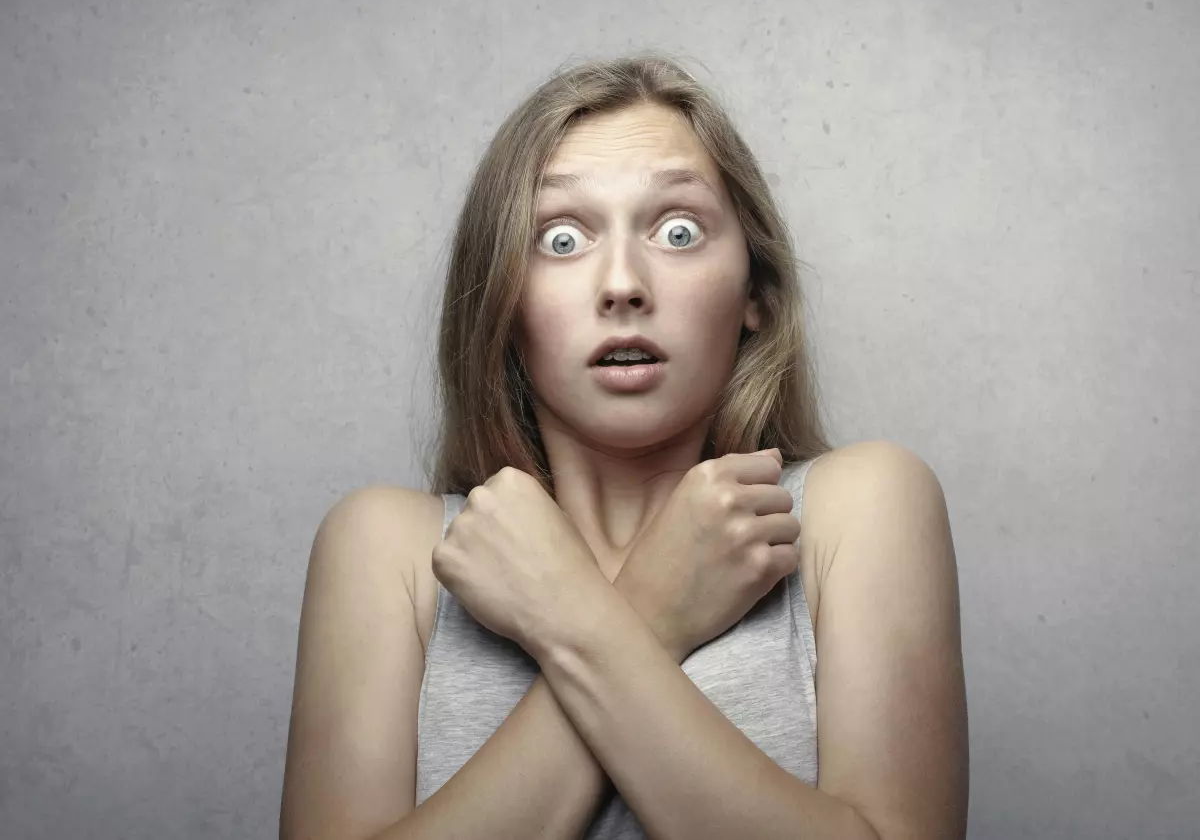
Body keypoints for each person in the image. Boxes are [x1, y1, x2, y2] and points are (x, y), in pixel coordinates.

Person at [279, 54, 969, 840]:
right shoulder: (387, 550)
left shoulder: (862, 508)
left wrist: (572, 618)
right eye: (562, 239)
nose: (622, 284)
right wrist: (652, 608)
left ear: (755, 293)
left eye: (678, 231)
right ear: (502, 300)